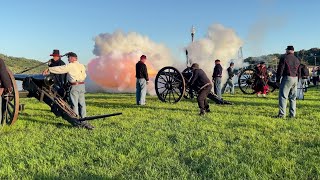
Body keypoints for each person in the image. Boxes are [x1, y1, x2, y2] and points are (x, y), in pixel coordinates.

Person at [48, 52, 94, 130]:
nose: (68, 59)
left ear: (73, 58)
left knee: (74, 104)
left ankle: (75, 120)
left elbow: (60, 69)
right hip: (82, 85)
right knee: (82, 104)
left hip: (74, 86)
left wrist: (49, 69)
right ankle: (84, 120)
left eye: (68, 57)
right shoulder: (82, 66)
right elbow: (85, 75)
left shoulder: (71, 65)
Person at [275, 45, 301, 118]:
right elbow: (299, 71)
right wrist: (298, 79)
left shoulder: (284, 57)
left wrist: (277, 79)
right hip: (295, 78)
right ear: (293, 51)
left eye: (286, 50)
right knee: (293, 97)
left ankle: (282, 115)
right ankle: (292, 115)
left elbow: (280, 69)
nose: (285, 51)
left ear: (288, 50)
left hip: (287, 78)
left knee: (283, 96)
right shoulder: (297, 59)